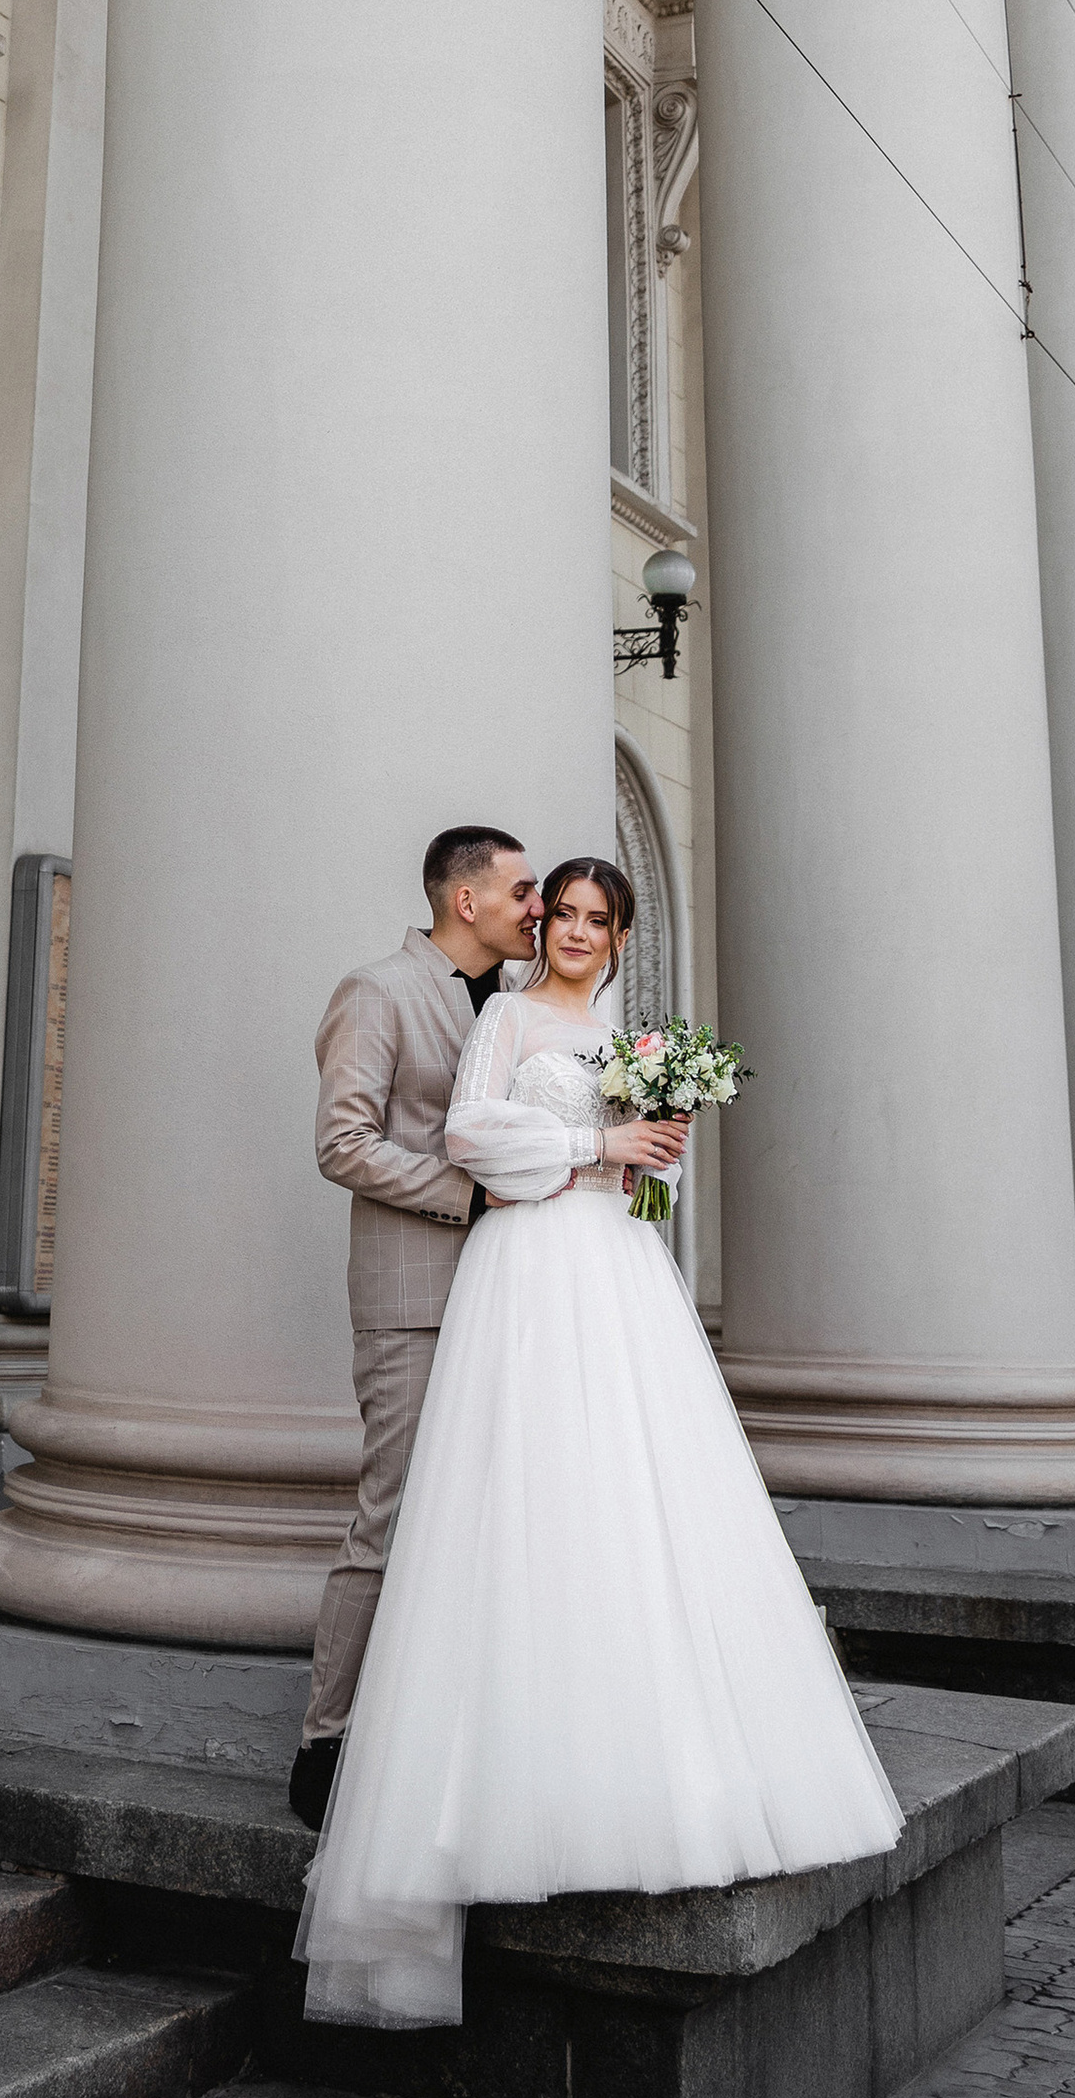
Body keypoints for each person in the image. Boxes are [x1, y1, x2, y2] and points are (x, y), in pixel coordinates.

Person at [294, 854, 903, 2031]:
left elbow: (635, 1172)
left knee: (633, 1496)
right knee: (500, 1503)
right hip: (522, 1270)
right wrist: (594, 1151)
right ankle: (387, 1757)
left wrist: (650, 1150)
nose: (566, 927)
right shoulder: (506, 1015)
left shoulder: (628, 1037)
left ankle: (646, 1757)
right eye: (553, 909)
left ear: (620, 935)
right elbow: (470, 1135)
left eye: (588, 917)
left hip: (615, 1273)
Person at [291, 826, 544, 1833]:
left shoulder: (522, 1011)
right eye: (524, 891)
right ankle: (327, 1740)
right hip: (412, 1298)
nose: (538, 908)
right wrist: (472, 1200)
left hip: (510, 1298)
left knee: (489, 1518)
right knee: (388, 1518)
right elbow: (342, 1143)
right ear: (467, 899)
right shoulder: (378, 990)